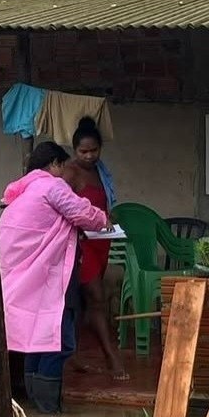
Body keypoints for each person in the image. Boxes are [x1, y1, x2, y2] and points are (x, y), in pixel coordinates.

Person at [0, 141, 110, 413]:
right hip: (47, 277)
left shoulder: (20, 191)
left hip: (22, 278)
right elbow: (83, 213)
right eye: (64, 166)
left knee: (35, 338)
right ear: (55, 165)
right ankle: (49, 408)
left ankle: (36, 406)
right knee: (59, 339)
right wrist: (103, 218)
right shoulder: (51, 186)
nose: (66, 173)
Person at [71, 116, 128, 380]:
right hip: (81, 244)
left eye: (94, 150)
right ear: (74, 150)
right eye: (84, 151)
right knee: (96, 298)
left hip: (101, 241)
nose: (89, 156)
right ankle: (111, 357)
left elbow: (102, 207)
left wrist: (108, 218)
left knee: (86, 303)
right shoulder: (70, 172)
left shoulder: (100, 171)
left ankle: (75, 355)